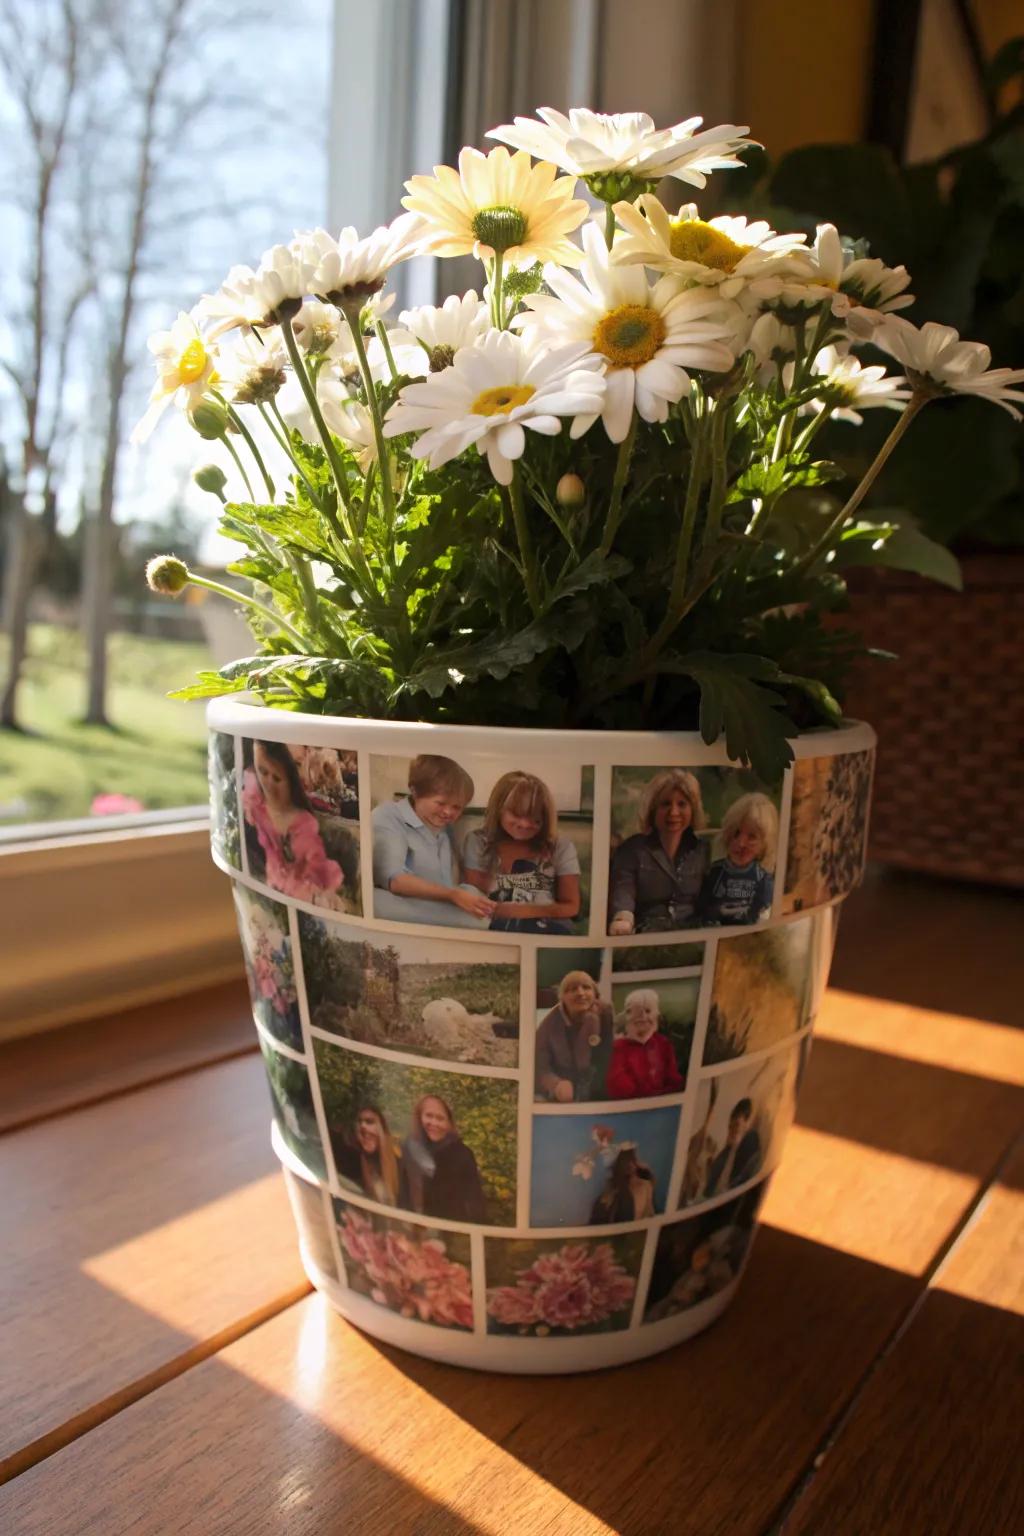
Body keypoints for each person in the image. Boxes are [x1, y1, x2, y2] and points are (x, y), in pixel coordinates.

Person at [372, 755, 495, 928]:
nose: (448, 812)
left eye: (456, 807)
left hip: (435, 904)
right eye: (441, 803)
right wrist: (453, 894)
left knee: (476, 901)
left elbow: (447, 883)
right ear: (415, 792)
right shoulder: (388, 815)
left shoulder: (445, 829)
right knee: (479, 922)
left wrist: (463, 894)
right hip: (397, 903)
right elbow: (395, 880)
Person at [462, 771, 582, 934]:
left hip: (546, 931)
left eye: (535, 819)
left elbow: (571, 907)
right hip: (491, 929)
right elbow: (475, 897)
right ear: (499, 809)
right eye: (516, 815)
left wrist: (524, 911)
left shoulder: (561, 847)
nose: (525, 824)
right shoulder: (478, 841)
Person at [243, 739, 346, 905]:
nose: (268, 783)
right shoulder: (255, 800)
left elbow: (316, 865)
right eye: (262, 771)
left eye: (277, 778)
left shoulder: (303, 823)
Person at [608, 770, 709, 934]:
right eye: (666, 804)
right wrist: (623, 919)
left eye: (682, 804)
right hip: (647, 933)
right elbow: (623, 891)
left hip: (690, 932)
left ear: (693, 809)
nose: (674, 812)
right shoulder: (632, 849)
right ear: (652, 810)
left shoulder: (702, 849)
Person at [402, 1094, 487, 1223]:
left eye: (440, 1118)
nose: (434, 1123)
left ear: (449, 1123)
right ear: (419, 1117)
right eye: (429, 1116)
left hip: (451, 1229)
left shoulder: (463, 1154)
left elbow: (475, 1201)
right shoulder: (410, 1147)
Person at [698, 792, 777, 926]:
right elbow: (702, 911)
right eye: (736, 833)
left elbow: (763, 917)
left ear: (764, 844)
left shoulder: (763, 880)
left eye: (751, 837)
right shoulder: (713, 873)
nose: (741, 843)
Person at [535, 970, 614, 1103]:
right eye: (572, 989)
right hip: (565, 1087)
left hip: (597, 1084)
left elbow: (612, 1051)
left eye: (586, 987)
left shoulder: (605, 1012)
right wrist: (555, 1085)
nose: (580, 993)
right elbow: (538, 1065)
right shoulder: (549, 1024)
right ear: (562, 998)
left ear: (595, 994)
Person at [606, 989, 684, 1099]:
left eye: (648, 1011)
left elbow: (674, 1080)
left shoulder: (663, 1043)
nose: (642, 1017)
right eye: (636, 1012)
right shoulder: (617, 1047)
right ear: (627, 1016)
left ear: (656, 1015)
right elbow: (618, 1086)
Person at [334, 1105, 406, 1207]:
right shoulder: (352, 1163)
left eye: (369, 1121)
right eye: (359, 1122)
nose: (363, 1126)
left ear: (382, 1129)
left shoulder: (400, 1165)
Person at [704, 1098, 762, 1195]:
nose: (731, 1131)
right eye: (730, 1127)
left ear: (747, 1123)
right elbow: (708, 1188)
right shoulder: (724, 1155)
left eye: (736, 1125)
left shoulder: (751, 1138)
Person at [589, 1147, 655, 1224]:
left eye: (632, 1160)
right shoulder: (613, 1188)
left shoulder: (644, 1185)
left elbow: (649, 1212)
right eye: (626, 1161)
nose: (630, 1165)